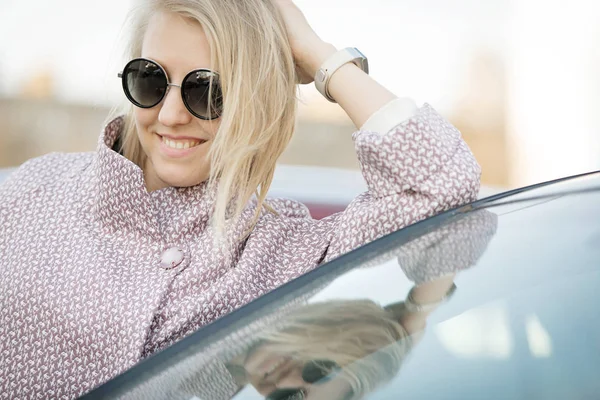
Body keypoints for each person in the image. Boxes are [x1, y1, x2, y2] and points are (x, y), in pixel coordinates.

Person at [0, 0, 481, 398]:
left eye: (207, 91)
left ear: (257, 101)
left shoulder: (281, 252)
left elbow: (440, 183)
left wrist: (319, 55)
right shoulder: (34, 192)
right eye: (149, 79)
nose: (169, 115)